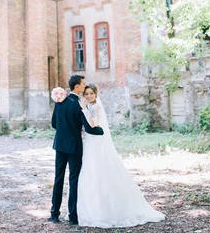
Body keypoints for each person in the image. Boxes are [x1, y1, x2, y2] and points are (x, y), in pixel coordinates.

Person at [77, 83, 165, 228]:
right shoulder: (89, 107)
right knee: (89, 172)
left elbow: (93, 125)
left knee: (100, 170)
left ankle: (105, 210)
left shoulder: (97, 107)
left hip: (97, 144)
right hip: (89, 143)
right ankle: (90, 208)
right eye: (86, 94)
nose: (89, 96)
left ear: (96, 94)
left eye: (91, 93)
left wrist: (83, 110)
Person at [48, 74, 104, 226]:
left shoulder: (60, 101)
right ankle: (73, 216)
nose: (85, 86)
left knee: (58, 178)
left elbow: (54, 124)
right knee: (74, 181)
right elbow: (87, 128)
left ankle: (54, 214)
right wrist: (101, 131)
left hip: (59, 146)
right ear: (77, 86)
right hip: (74, 148)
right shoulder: (78, 105)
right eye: (83, 84)